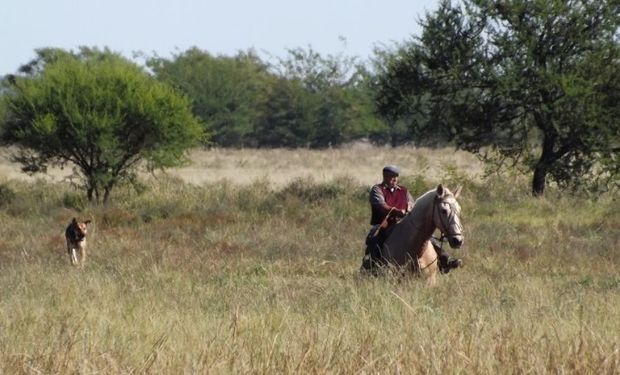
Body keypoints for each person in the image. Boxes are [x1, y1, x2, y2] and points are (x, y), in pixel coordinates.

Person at [361, 165, 462, 273]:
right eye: (391, 176)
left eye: (396, 176)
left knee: (427, 235)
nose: (394, 179)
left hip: (405, 220)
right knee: (375, 237)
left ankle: (444, 259)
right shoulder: (377, 189)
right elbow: (381, 205)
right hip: (385, 223)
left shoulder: (403, 190)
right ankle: (372, 264)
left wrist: (410, 207)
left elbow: (411, 204)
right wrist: (396, 211)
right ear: (385, 176)